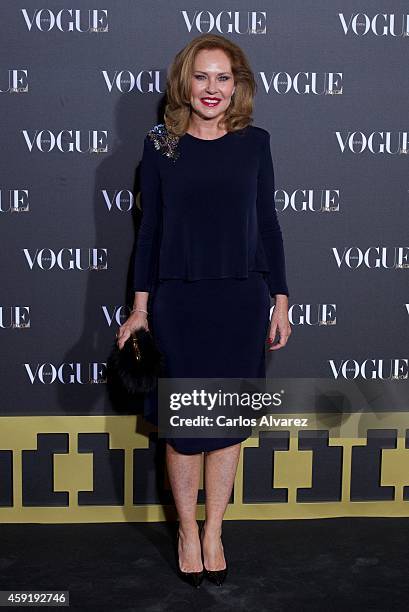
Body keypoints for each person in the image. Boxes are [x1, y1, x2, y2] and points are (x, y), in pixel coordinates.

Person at [116, 33, 291, 588]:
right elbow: (149, 232)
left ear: (237, 85)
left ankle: (215, 529)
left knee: (228, 423)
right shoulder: (161, 143)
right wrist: (140, 309)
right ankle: (186, 532)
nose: (211, 88)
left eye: (223, 77)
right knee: (185, 425)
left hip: (241, 299)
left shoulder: (255, 142)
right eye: (201, 76)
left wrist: (281, 299)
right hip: (180, 300)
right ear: (184, 82)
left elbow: (268, 225)